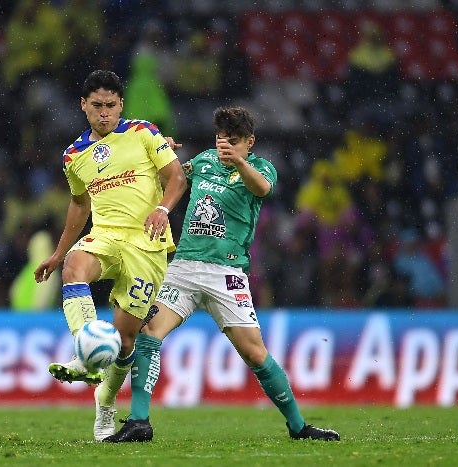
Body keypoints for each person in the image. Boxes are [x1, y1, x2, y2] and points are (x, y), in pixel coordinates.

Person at [103, 107, 340, 443]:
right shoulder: (203, 161)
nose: (223, 146)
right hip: (184, 267)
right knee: (149, 331)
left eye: (233, 141)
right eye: (219, 138)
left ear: (249, 142)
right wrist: (159, 157)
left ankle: (298, 426)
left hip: (226, 274)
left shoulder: (259, 168)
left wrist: (240, 163)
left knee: (255, 354)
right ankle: (140, 421)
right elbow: (170, 179)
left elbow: (263, 190)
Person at [33, 70, 187, 439]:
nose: (105, 113)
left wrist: (162, 209)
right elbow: (78, 204)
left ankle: (104, 406)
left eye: (112, 105)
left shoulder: (144, 133)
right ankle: (85, 354)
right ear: (83, 105)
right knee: (74, 266)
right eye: (97, 105)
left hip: (147, 245)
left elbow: (177, 178)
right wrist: (58, 253)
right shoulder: (74, 155)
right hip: (104, 237)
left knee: (126, 341)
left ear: (121, 105)